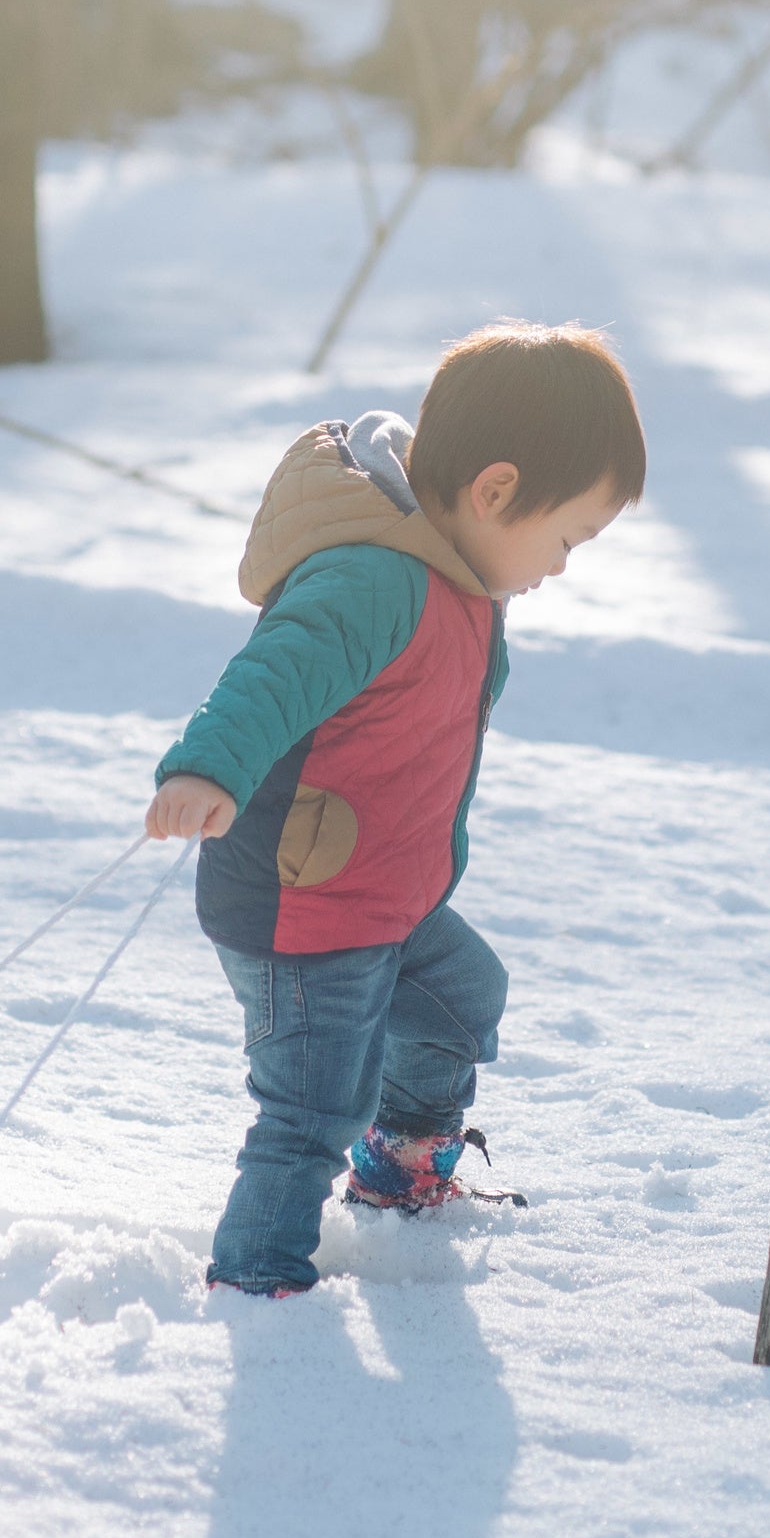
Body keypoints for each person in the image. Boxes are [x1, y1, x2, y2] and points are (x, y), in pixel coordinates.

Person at [145, 321, 647, 1297]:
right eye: (567, 537)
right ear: (495, 491)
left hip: (385, 892)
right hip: (306, 908)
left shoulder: (461, 572)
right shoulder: (373, 578)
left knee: (461, 996)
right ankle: (259, 1280)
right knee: (309, 1108)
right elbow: (272, 675)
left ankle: (402, 1167)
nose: (563, 564)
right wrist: (209, 767)